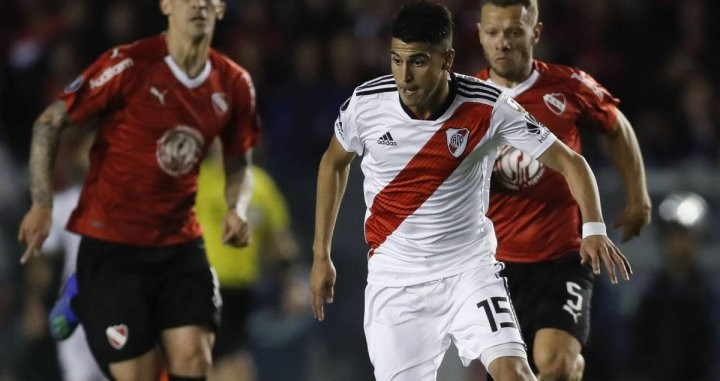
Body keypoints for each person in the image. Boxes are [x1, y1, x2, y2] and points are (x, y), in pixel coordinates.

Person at [309, 1, 631, 380]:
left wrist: (594, 228)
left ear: (446, 61)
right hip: (396, 283)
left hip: (470, 273)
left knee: (516, 373)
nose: (404, 76)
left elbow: (570, 162)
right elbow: (333, 163)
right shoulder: (365, 105)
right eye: (396, 60)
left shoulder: (488, 107)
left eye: (418, 62)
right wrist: (320, 255)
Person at [16, 0, 261, 379]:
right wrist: (42, 204)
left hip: (179, 244)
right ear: (166, 4)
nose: (198, 3)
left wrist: (237, 207)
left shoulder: (234, 83)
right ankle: (84, 288)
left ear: (222, 8)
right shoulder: (127, 64)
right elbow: (49, 123)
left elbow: (239, 161)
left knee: (195, 363)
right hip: (114, 247)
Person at [473, 1, 651, 379]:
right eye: (492, 33)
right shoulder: (466, 100)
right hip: (492, 266)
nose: (502, 42)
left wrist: (638, 197)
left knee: (554, 366)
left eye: (513, 32)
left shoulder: (569, 85)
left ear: (535, 33)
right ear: (480, 35)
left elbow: (617, 127)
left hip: (562, 256)